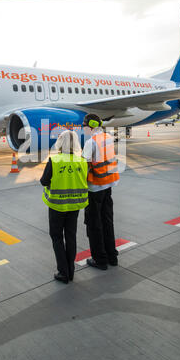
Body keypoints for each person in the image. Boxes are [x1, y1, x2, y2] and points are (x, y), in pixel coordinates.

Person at [40, 130, 88, 284]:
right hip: (75, 206)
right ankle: (71, 271)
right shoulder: (82, 161)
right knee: (71, 236)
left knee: (57, 237)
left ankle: (63, 272)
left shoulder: (54, 161)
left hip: (57, 206)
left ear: (60, 143)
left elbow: (44, 181)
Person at [82, 113, 120, 270]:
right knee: (107, 221)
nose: (83, 128)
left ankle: (100, 260)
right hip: (108, 185)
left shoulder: (91, 142)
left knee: (94, 224)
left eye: (84, 125)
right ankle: (112, 256)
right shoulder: (108, 137)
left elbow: (85, 166)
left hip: (95, 188)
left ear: (90, 125)